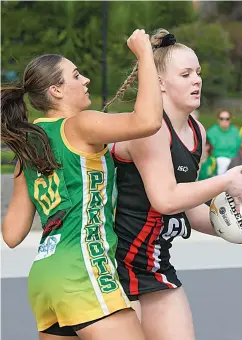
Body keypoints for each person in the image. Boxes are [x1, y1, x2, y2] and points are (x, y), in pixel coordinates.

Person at [1, 29, 163, 340]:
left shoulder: (28, 148)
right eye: (76, 75)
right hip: (83, 270)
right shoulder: (81, 124)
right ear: (56, 91)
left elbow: (11, 234)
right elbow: (148, 122)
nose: (85, 79)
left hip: (45, 280)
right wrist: (144, 54)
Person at [104, 28, 242, 340]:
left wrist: (239, 226)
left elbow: (186, 209)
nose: (197, 80)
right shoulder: (148, 129)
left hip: (155, 263)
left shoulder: (197, 132)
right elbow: (165, 198)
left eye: (199, 73)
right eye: (186, 73)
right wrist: (224, 181)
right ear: (160, 83)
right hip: (116, 264)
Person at [207, 110, 241, 175]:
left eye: (227, 119)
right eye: (221, 118)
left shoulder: (235, 131)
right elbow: (209, 150)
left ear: (230, 120)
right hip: (218, 159)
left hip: (234, 158)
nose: (224, 121)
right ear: (218, 120)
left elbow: (239, 146)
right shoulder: (211, 132)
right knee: (224, 162)